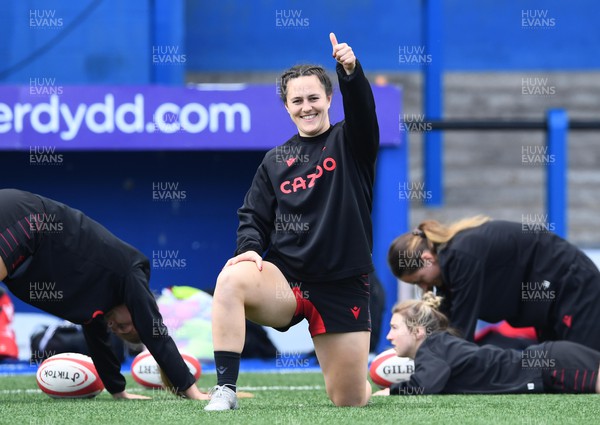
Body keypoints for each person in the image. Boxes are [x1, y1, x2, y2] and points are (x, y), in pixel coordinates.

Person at [204, 32, 379, 410]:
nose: (306, 107)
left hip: (342, 284)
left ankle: (374, 379)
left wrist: (351, 72)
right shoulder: (274, 160)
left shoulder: (352, 142)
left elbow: (363, 110)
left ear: (329, 99)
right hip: (288, 282)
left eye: (314, 98)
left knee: (349, 400)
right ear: (286, 106)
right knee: (231, 278)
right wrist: (249, 250)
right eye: (297, 100)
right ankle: (225, 390)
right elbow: (253, 216)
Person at [0, 188, 207, 400]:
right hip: (25, 218)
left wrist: (118, 392)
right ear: (137, 309)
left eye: (117, 331)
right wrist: (191, 390)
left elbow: (99, 343)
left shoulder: (96, 303)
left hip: (23, 232)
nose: (114, 327)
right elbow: (156, 334)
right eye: (125, 326)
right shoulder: (131, 273)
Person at [387, 216, 600, 351]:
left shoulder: (460, 256)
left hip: (574, 286)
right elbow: (445, 331)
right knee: (561, 377)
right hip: (549, 301)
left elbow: (461, 334)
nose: (425, 288)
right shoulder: (448, 266)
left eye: (421, 280)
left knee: (585, 368)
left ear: (426, 259)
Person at [373, 292, 600, 396]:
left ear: (419, 332)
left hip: (551, 365)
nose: (389, 337)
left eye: (394, 328)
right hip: (549, 364)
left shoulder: (433, 347)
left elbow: (427, 384)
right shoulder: (438, 345)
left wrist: (392, 393)